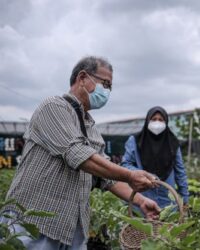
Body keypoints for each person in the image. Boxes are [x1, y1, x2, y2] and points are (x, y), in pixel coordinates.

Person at [0, 56, 160, 249]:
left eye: (110, 87)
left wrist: (140, 200)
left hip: (72, 230)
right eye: (105, 84)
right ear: (83, 77)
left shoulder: (91, 128)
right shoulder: (54, 107)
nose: (107, 92)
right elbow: (77, 153)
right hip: (33, 225)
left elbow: (106, 179)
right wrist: (130, 175)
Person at [121, 106, 189, 208]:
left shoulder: (173, 143)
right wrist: (144, 175)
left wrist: (185, 198)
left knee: (168, 222)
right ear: (147, 121)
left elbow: (180, 173)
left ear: (166, 123)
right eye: (153, 119)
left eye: (161, 120)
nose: (157, 123)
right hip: (143, 198)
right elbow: (126, 164)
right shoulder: (135, 141)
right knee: (141, 223)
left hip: (167, 201)